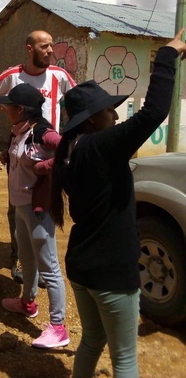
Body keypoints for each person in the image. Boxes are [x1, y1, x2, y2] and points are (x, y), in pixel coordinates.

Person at [52, 29, 186, 377]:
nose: (115, 115)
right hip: (111, 271)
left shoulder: (70, 151)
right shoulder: (101, 147)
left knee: (92, 342)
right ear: (94, 119)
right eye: (110, 111)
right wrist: (168, 57)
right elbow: (154, 111)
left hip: (82, 267)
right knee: (125, 359)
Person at [0, 30, 76, 284]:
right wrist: (7, 111)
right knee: (17, 209)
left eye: (52, 46)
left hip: (49, 153)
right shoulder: (14, 75)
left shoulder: (60, 76)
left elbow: (77, 100)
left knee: (46, 206)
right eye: (44, 46)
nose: (51, 51)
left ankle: (44, 265)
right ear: (30, 49)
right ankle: (20, 258)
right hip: (21, 152)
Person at [0, 83, 69, 349]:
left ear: (21, 109)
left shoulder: (42, 133)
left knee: (49, 268)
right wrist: (8, 156)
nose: (6, 110)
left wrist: (43, 167)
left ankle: (59, 328)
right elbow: (22, 157)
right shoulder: (18, 132)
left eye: (10, 106)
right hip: (20, 207)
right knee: (27, 259)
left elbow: (67, 150)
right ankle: (28, 303)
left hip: (36, 209)